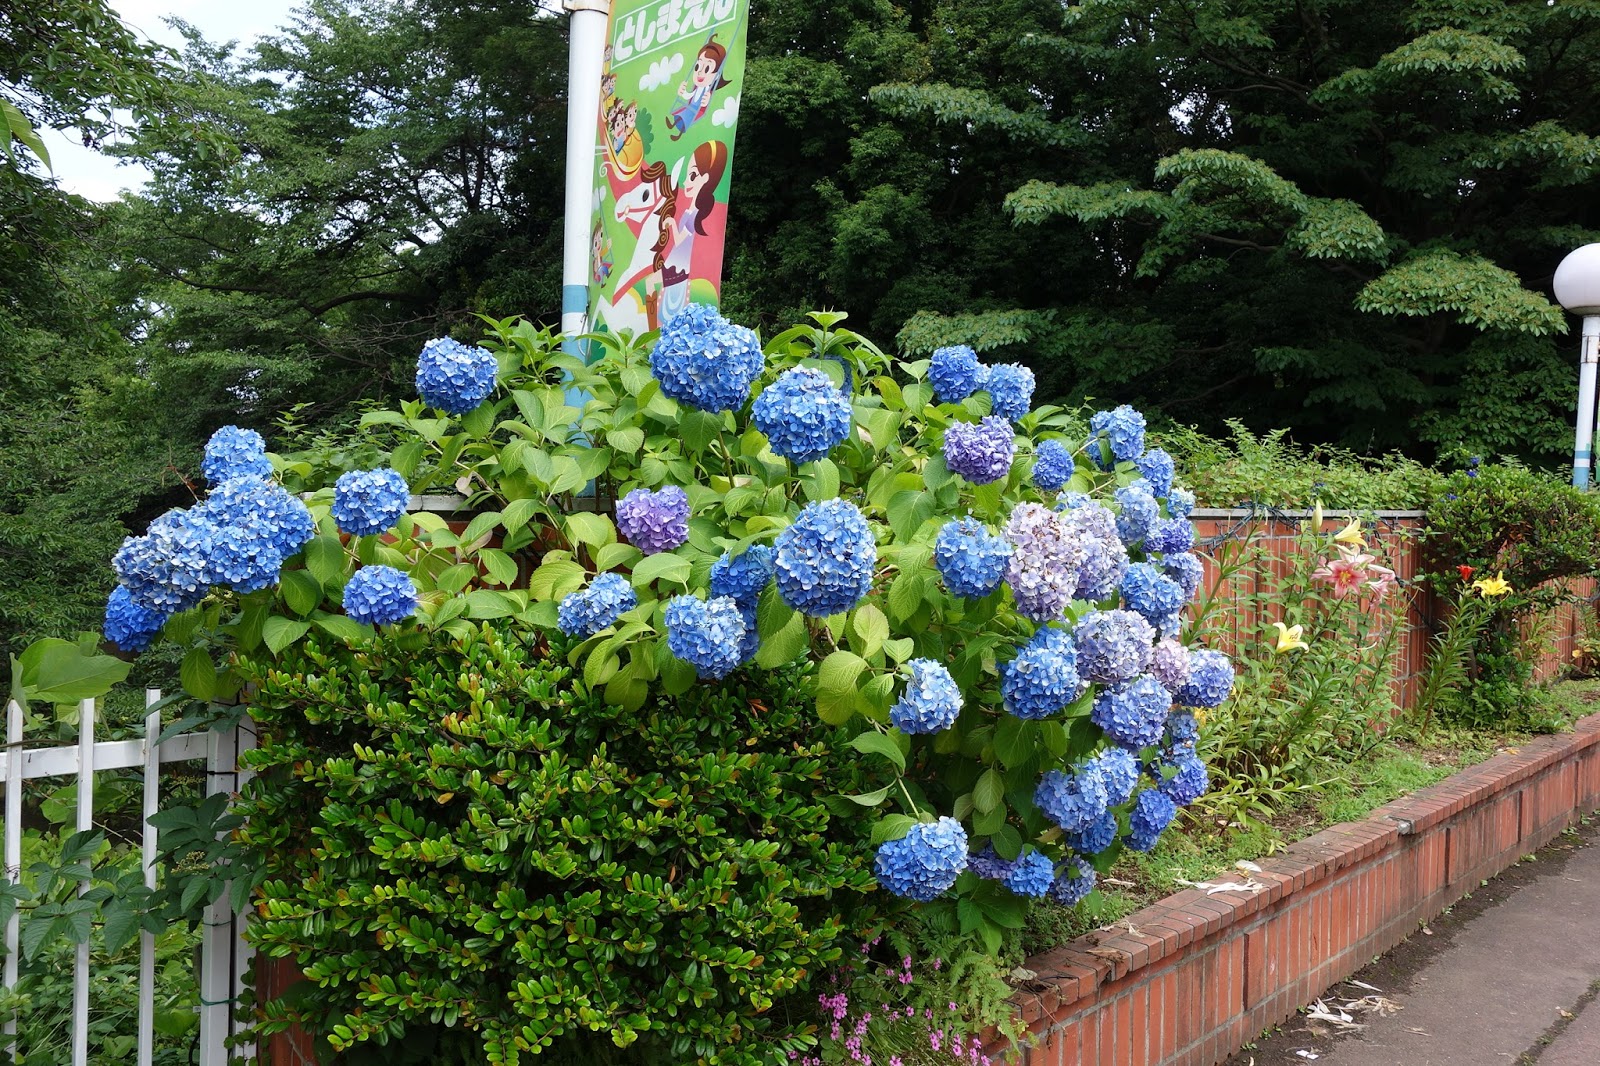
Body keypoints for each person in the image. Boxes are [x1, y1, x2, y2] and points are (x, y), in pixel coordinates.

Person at [659, 140, 729, 324]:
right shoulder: (691, 211)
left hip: (679, 268)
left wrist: (672, 223)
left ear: (705, 178)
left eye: (692, 175)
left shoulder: (695, 214)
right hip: (675, 264)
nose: (686, 182)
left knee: (667, 312)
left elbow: (681, 239)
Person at [665, 35, 731, 141]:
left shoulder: (708, 91)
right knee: (681, 113)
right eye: (697, 67)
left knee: (686, 118)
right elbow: (691, 95)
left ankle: (678, 135)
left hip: (696, 110)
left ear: (717, 75)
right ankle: (673, 125)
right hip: (690, 106)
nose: (700, 72)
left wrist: (705, 102)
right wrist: (683, 92)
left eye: (707, 69)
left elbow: (704, 104)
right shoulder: (697, 86)